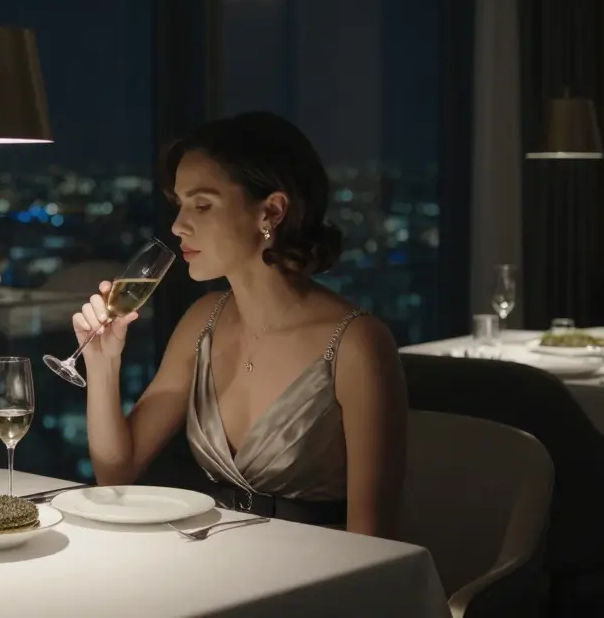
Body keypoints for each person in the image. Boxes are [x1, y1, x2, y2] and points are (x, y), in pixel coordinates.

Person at [74, 112, 407, 537]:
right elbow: (115, 473)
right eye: (179, 205)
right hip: (220, 563)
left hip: (321, 583)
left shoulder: (357, 345)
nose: (177, 225)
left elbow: (373, 540)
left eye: (202, 204)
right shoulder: (202, 321)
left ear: (271, 211)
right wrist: (103, 365)